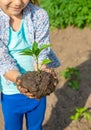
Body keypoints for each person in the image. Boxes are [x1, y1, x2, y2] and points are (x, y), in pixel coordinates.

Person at [0, 0, 60, 130]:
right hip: (11, 92)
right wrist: (20, 81)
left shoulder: (38, 15)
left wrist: (44, 72)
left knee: (35, 126)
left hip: (38, 90)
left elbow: (41, 50)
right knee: (12, 126)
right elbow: (2, 59)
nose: (17, 2)